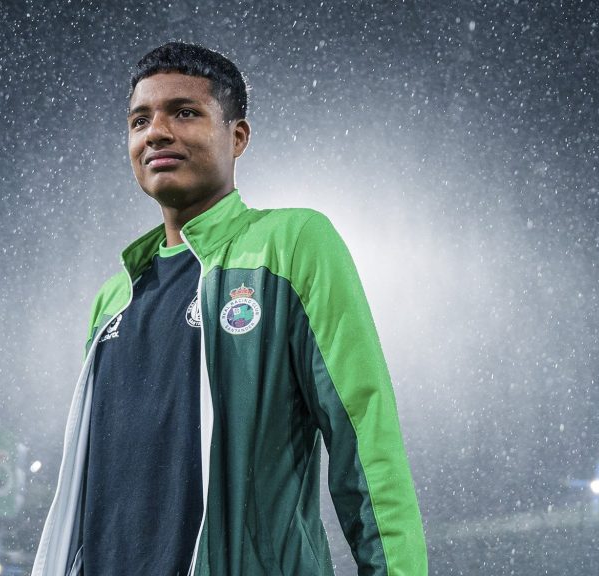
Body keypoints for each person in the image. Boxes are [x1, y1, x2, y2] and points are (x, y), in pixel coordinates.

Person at [33, 42, 427, 576]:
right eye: (140, 120)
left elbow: (365, 437)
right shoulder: (113, 301)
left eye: (184, 112)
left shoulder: (291, 244)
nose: (156, 132)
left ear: (237, 137)